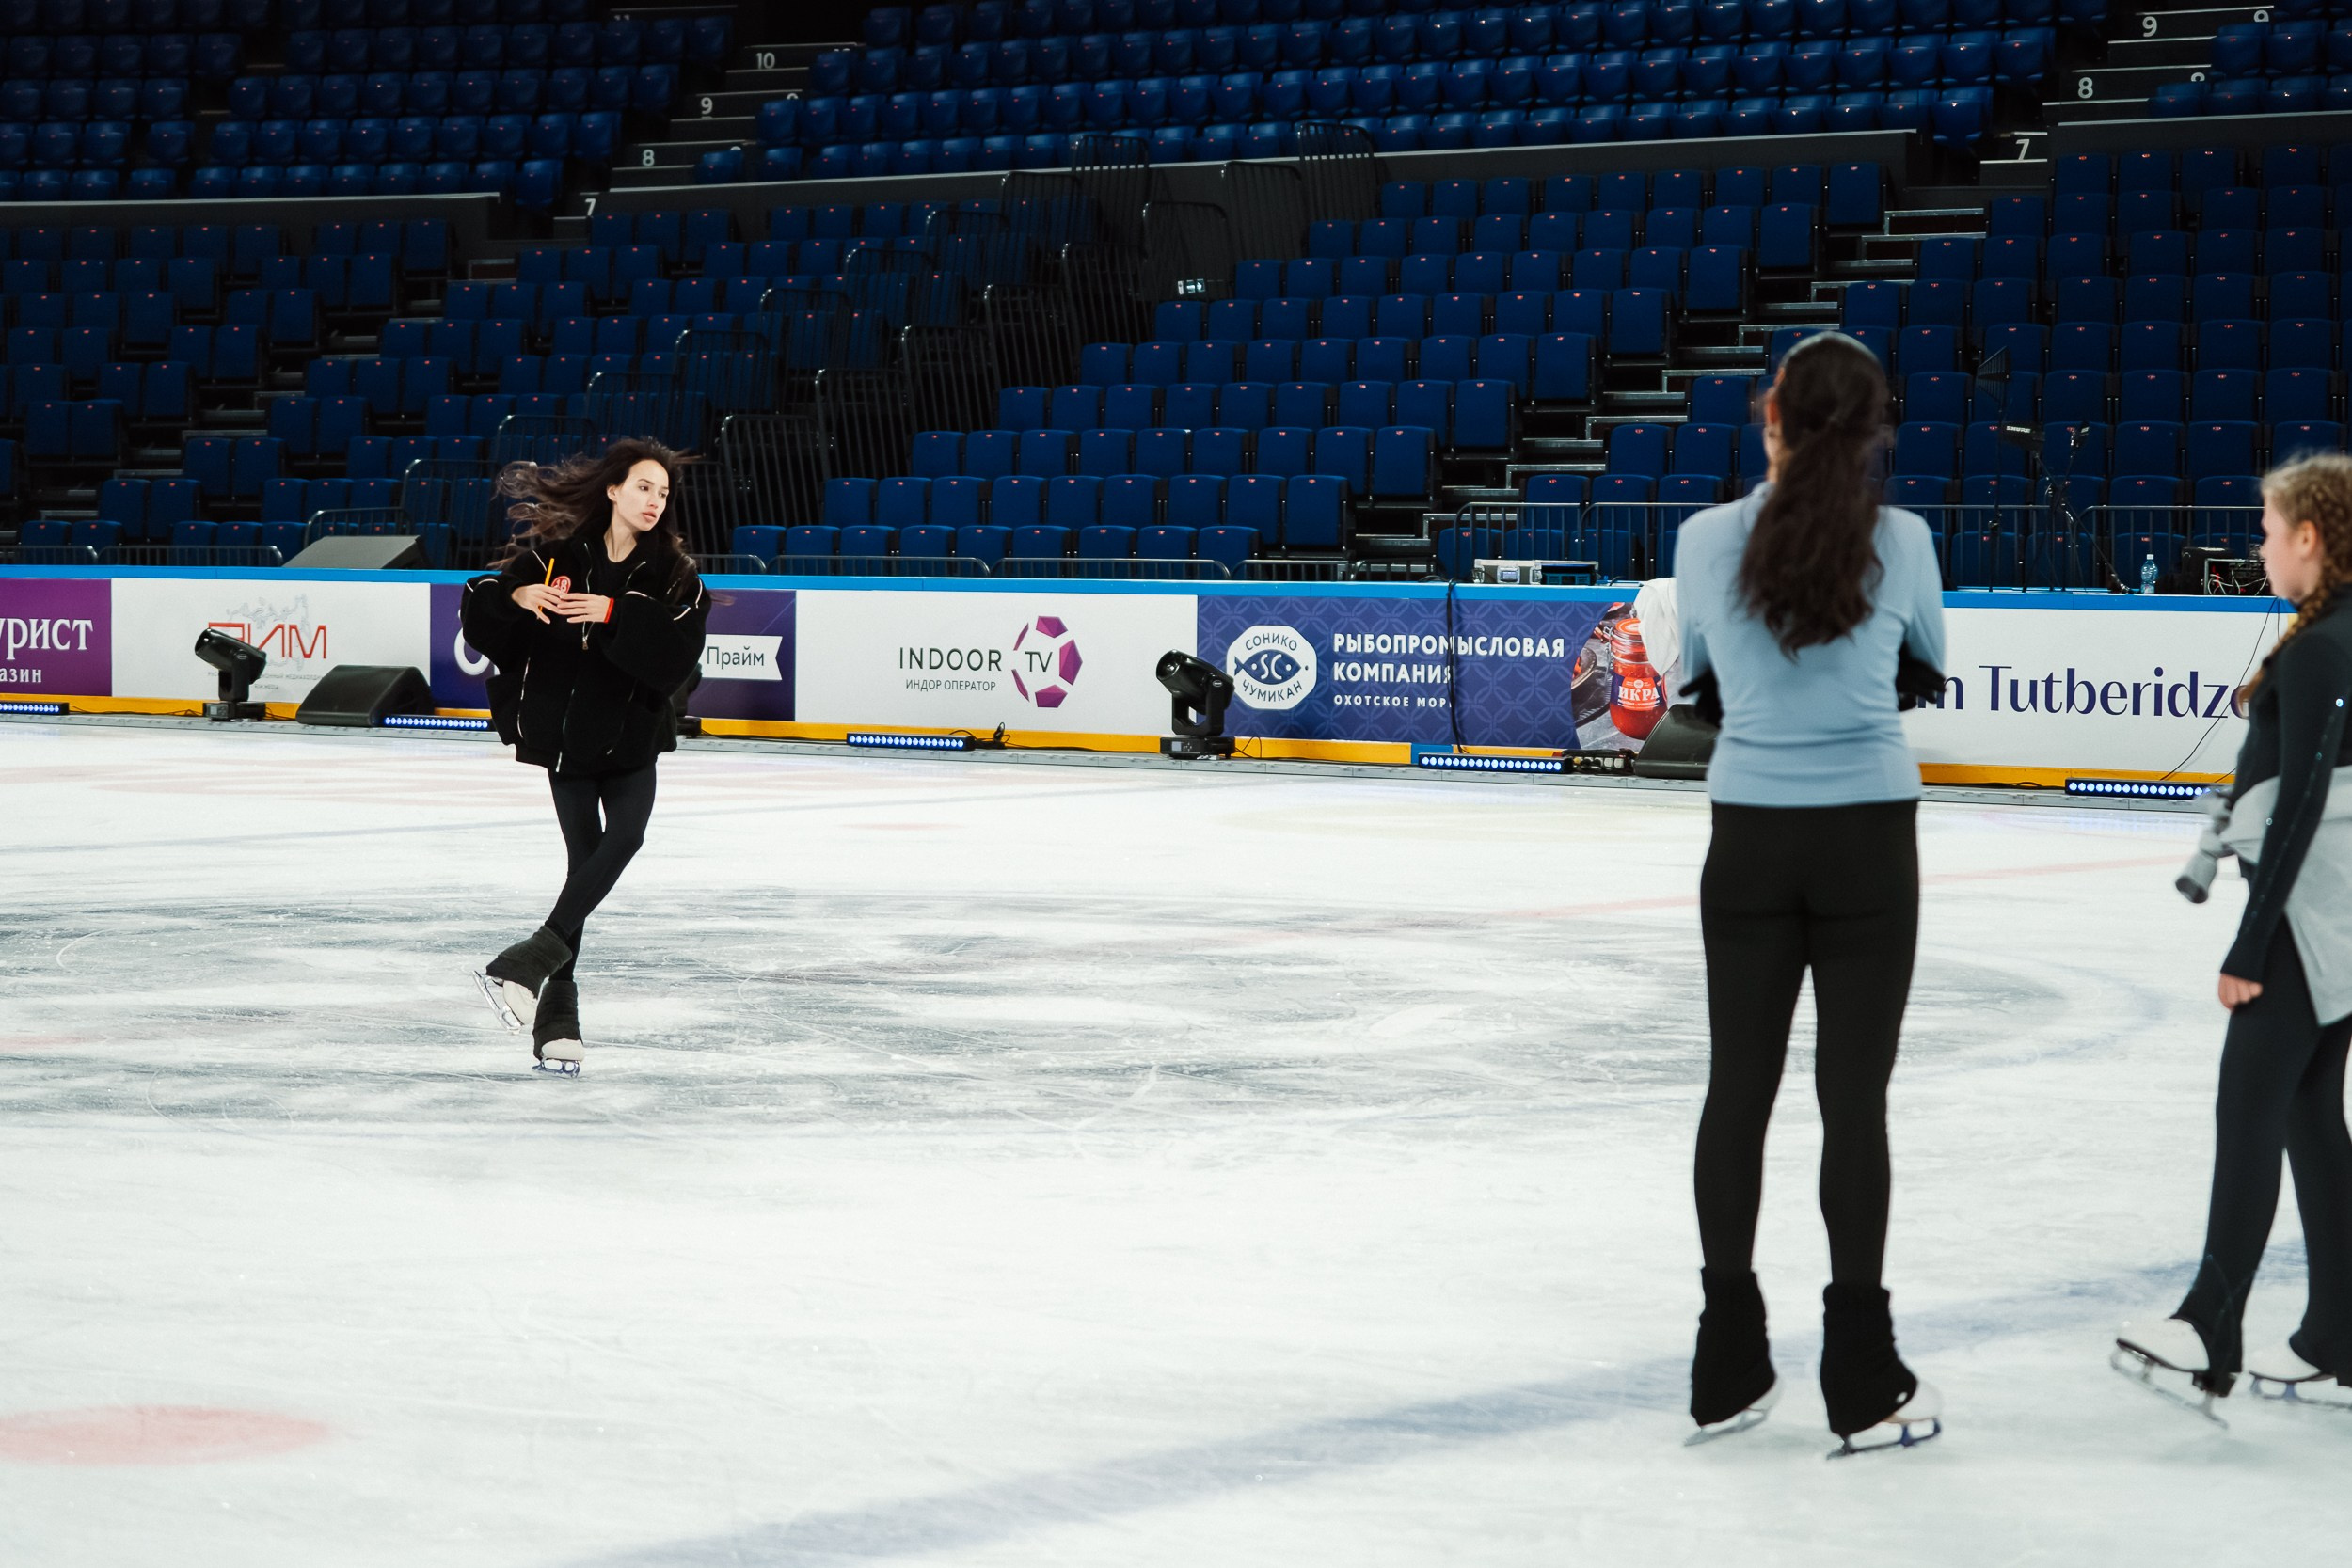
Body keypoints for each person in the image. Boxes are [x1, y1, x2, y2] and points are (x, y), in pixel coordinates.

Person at [1671, 332, 1948, 1451]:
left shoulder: (1701, 539)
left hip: (1746, 834)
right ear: (1876, 423)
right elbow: (1927, 652)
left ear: (1769, 414)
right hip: (1867, 840)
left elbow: (1699, 675)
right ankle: (1859, 1367)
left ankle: (1727, 1357)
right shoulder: (1904, 539)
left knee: (1736, 1088)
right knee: (1853, 1100)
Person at [2117, 453, 2352, 1408]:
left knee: (2248, 1109)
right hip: (2331, 919)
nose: (2257, 546)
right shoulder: (2330, 635)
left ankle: (2209, 1325)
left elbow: (2300, 803)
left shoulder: (2325, 646)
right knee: (2306, 1118)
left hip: (2304, 923)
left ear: (2310, 536)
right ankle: (2336, 1335)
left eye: (2266, 529)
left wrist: (2249, 945)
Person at [458, 439, 709, 1074]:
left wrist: (614, 611)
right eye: (644, 487)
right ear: (613, 491)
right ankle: (557, 1017)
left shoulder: (676, 575)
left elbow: (680, 653)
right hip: (565, 740)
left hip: (630, 738)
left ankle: (523, 965)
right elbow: (483, 591)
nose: (655, 500)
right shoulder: (557, 558)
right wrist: (519, 599)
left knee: (623, 838)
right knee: (582, 864)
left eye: (663, 492)